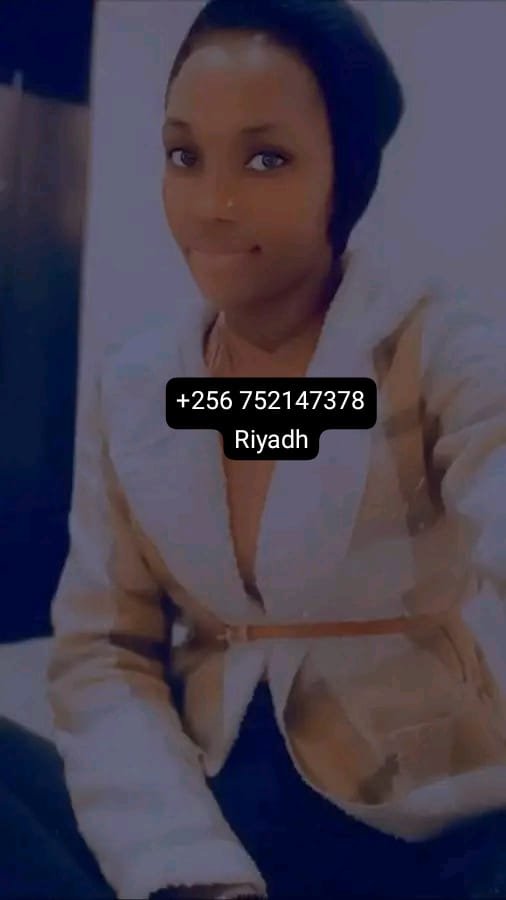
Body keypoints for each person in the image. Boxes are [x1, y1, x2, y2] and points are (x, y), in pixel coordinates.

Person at [2, 0, 506, 897]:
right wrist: (182, 865)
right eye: (184, 156)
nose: (212, 206)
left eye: (266, 159)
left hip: (426, 821)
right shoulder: (137, 387)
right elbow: (102, 650)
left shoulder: (437, 350)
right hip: (211, 806)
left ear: (346, 174)